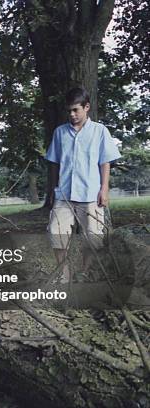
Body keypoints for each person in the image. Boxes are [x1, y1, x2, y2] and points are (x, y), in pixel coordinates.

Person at [45, 87, 121, 283]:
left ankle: (85, 271)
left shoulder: (100, 131)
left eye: (76, 110)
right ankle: (64, 272)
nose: (72, 114)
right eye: (69, 111)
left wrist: (104, 189)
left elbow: (105, 162)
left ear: (86, 107)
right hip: (63, 194)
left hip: (90, 193)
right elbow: (54, 162)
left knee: (93, 236)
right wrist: (53, 189)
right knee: (56, 231)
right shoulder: (60, 133)